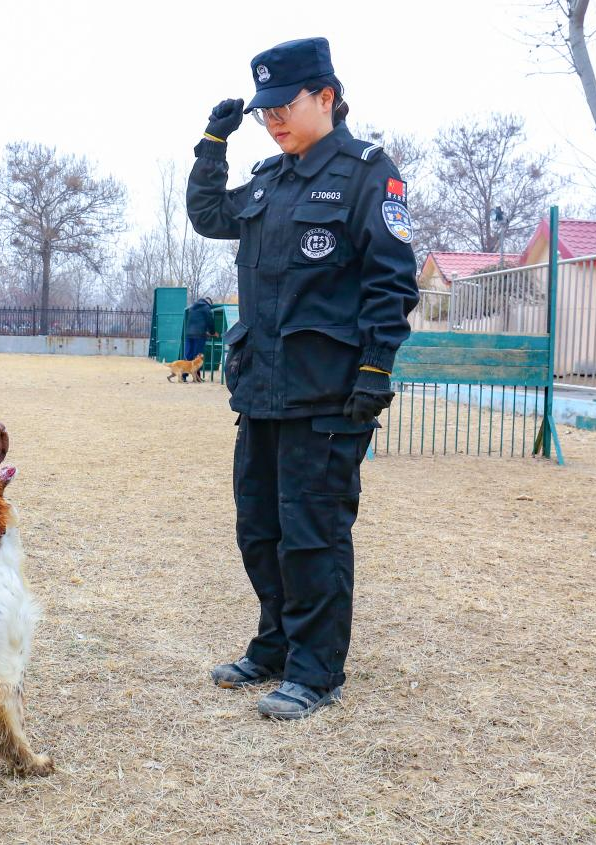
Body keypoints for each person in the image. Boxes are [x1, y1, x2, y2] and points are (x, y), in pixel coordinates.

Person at [186, 37, 419, 719]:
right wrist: (210, 146)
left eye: (283, 106)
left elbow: (390, 283)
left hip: (328, 396)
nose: (272, 121)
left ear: (325, 96)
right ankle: (276, 646)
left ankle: (317, 670)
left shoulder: (368, 174)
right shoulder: (268, 178)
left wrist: (376, 369)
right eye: (263, 111)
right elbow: (207, 217)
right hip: (261, 390)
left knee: (313, 532)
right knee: (258, 527)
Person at [181, 296, 217, 382]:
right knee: (198, 357)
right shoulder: (206, 307)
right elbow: (210, 321)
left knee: (188, 355)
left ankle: (183, 376)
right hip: (199, 335)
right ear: (209, 303)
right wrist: (212, 332)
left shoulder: (193, 307)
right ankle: (196, 377)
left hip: (189, 334)